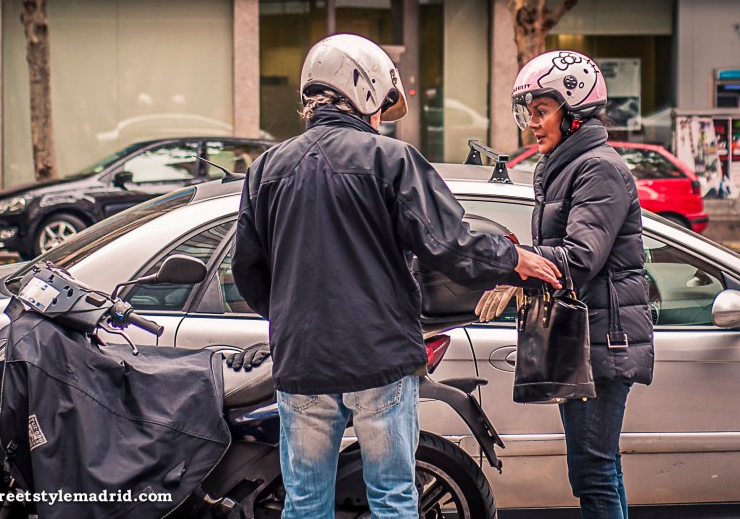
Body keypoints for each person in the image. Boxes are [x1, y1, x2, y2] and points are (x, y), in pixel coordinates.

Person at [230, 33, 561, 518]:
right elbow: (449, 244)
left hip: (302, 361)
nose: (381, 119)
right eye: (382, 105)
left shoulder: (266, 170)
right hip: (380, 359)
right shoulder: (392, 161)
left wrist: (294, 317)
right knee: (392, 498)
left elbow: (249, 273)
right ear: (362, 90)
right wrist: (515, 261)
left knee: (303, 502)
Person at [478, 50, 654, 519]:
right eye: (528, 113)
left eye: (541, 111)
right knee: (598, 467)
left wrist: (515, 267)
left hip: (604, 342)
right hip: (585, 339)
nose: (532, 123)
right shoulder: (567, 166)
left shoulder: (598, 168)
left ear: (574, 111)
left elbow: (580, 258)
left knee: (593, 472)